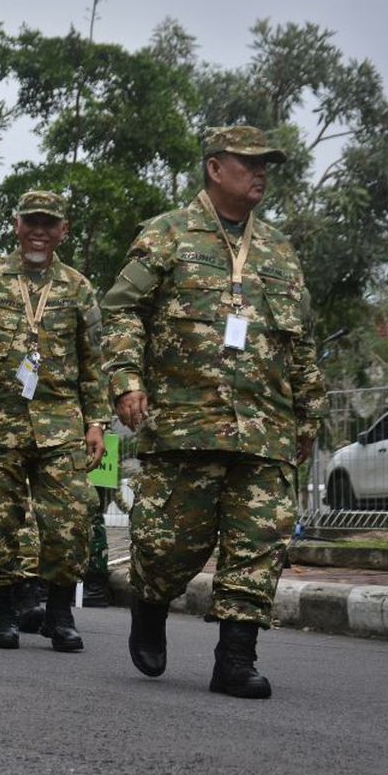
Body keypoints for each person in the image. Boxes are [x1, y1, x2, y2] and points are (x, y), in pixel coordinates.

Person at [101, 126, 327, 699]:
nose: (261, 173)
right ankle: (150, 601)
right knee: (166, 545)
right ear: (214, 168)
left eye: (266, 164)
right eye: (249, 162)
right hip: (186, 423)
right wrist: (127, 379)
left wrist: (308, 415)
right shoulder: (166, 236)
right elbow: (123, 309)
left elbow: (300, 341)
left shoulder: (278, 250)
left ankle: (235, 660)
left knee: (259, 543)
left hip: (265, 428)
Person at [0, 190, 106, 652]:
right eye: (31, 222)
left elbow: (93, 359)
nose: (39, 231)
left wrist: (96, 421)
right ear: (16, 226)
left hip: (60, 424)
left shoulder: (78, 287)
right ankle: (1, 614)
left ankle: (60, 614)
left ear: (63, 231)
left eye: (49, 223)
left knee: (71, 519)